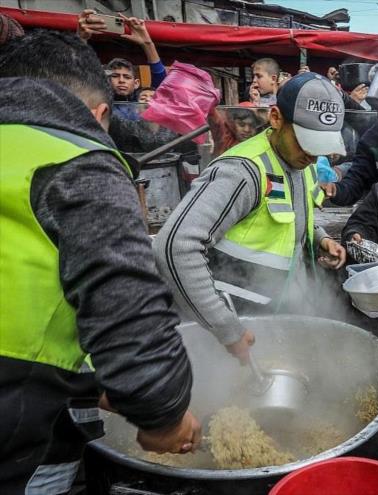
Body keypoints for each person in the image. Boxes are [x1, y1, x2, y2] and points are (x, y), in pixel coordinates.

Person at [0, 30, 198, 493]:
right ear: (100, 114)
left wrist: (95, 387)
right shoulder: (75, 158)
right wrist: (163, 415)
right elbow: (127, 306)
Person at [153, 72, 348, 364]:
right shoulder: (242, 171)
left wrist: (322, 239)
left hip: (277, 318)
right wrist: (225, 327)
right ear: (275, 117)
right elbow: (175, 247)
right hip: (233, 329)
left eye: (320, 145)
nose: (312, 153)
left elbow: (295, 214)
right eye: (306, 141)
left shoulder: (303, 164)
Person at [77, 10, 167, 101]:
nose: (121, 81)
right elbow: (77, 74)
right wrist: (81, 38)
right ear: (107, 80)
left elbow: (161, 82)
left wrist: (147, 43)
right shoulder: (97, 102)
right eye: (115, 76)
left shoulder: (142, 103)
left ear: (136, 83)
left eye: (127, 77)